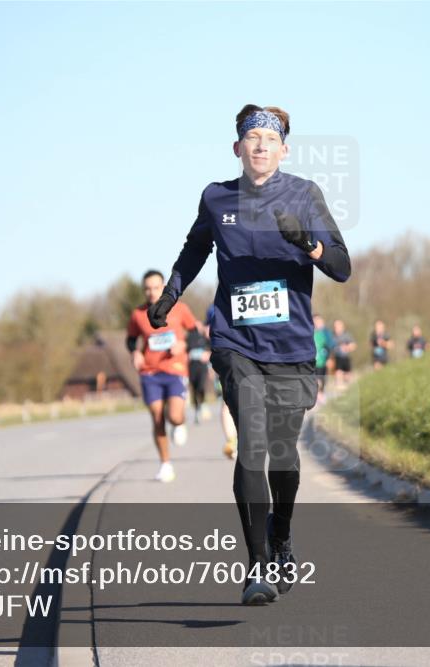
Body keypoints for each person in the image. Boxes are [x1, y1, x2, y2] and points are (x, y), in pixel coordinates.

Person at [146, 104, 350, 605]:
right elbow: (195, 250)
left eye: (269, 138)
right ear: (238, 148)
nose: (260, 145)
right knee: (252, 444)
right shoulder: (217, 199)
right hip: (235, 342)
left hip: (293, 348)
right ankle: (257, 566)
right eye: (251, 137)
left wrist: (311, 247)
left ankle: (281, 536)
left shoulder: (305, 195)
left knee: (283, 455)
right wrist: (171, 296)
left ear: (284, 149)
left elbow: (343, 266)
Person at [126, 269, 197, 483]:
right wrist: (135, 352)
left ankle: (179, 423)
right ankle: (165, 464)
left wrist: (184, 344)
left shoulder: (179, 309)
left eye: (156, 287)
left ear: (163, 286)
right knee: (157, 418)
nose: (151, 292)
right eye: (147, 289)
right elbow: (130, 339)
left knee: (174, 416)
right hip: (150, 372)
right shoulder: (138, 314)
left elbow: (194, 333)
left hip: (175, 369)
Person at [207, 304, 238, 460]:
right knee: (226, 402)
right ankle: (231, 441)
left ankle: (245, 438)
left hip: (252, 357)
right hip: (225, 358)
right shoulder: (214, 309)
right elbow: (208, 332)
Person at [185, 321, 213, 423]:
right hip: (192, 367)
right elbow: (185, 351)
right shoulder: (188, 337)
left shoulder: (205, 338)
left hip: (202, 367)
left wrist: (208, 356)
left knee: (201, 386)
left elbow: (211, 350)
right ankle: (197, 409)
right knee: (194, 388)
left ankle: (203, 404)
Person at [312, 314, 334, 405]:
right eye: (315, 321)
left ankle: (321, 394)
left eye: (319, 321)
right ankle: (317, 395)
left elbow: (330, 346)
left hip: (322, 361)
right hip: (312, 362)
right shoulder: (310, 333)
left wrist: (329, 358)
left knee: (322, 378)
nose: (317, 323)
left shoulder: (325, 333)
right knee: (315, 379)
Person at [330, 319, 356, 387]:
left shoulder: (347, 335)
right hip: (336, 358)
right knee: (338, 373)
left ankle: (347, 387)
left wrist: (347, 347)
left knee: (348, 377)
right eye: (335, 326)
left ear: (342, 326)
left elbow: (353, 345)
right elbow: (329, 347)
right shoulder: (331, 336)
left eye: (338, 326)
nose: (337, 328)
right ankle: (339, 386)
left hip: (346, 358)